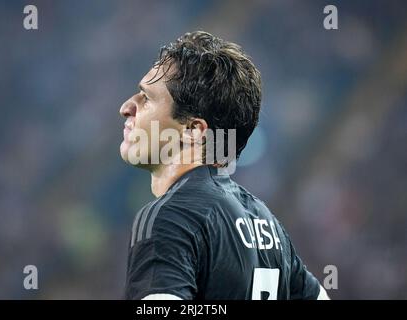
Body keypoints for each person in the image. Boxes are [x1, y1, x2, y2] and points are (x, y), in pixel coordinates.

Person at [119, 31, 329, 300]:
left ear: (194, 130)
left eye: (146, 98)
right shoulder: (267, 224)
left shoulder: (170, 218)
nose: (126, 107)